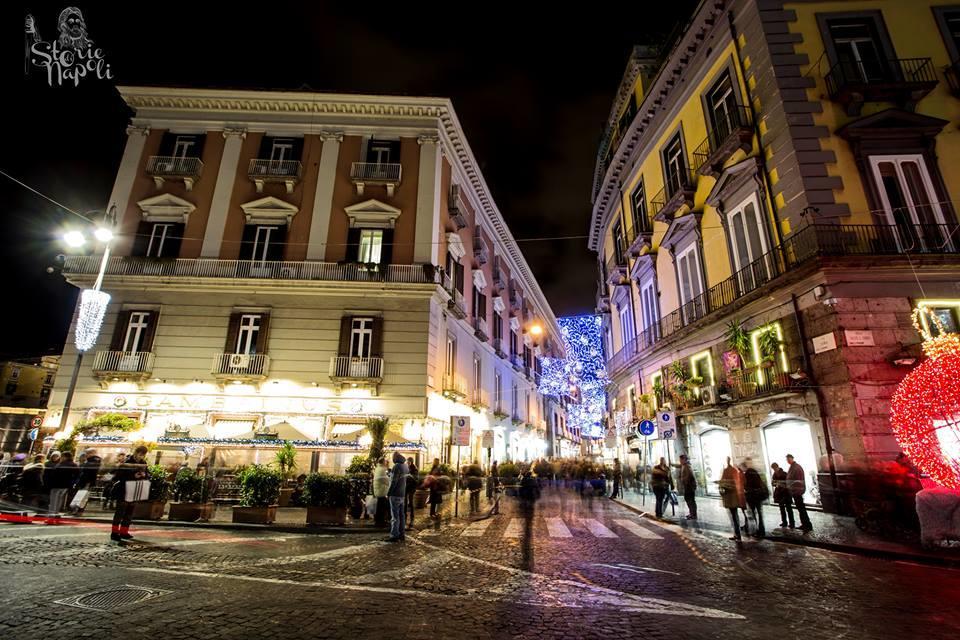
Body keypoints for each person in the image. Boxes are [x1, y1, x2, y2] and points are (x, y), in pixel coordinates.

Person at [110, 445, 149, 542]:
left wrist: (144, 475)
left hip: (135, 489)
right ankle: (114, 533)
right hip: (124, 490)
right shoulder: (127, 461)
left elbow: (148, 474)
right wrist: (133, 475)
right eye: (140, 454)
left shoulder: (143, 463)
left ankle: (124, 531)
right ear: (136, 453)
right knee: (120, 512)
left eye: (143, 455)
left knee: (129, 513)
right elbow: (119, 476)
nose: (141, 457)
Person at [786, 454, 813, 532]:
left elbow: (798, 480)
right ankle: (805, 524)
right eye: (787, 459)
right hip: (795, 491)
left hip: (797, 491)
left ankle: (807, 525)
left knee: (801, 508)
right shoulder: (793, 467)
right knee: (800, 508)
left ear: (792, 458)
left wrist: (794, 488)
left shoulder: (796, 467)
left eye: (788, 459)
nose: (787, 461)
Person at [719, 457, 744, 541]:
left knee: (733, 516)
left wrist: (723, 485)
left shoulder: (730, 470)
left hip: (731, 497)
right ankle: (737, 534)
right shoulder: (733, 470)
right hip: (733, 497)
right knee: (734, 515)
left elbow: (724, 482)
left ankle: (737, 534)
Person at [742, 458, 768, 537]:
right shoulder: (755, 471)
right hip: (758, 496)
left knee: (754, 514)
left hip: (752, 497)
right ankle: (761, 530)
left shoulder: (748, 473)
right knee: (759, 513)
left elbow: (746, 486)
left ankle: (756, 531)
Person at [386, 452, 408, 542]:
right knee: (401, 515)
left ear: (395, 457)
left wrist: (389, 493)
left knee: (395, 516)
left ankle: (394, 535)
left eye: (392, 457)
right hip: (402, 494)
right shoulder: (405, 466)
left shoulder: (397, 466)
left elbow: (394, 481)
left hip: (395, 494)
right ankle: (402, 534)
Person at [771, 462, 793, 528]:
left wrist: (780, 484)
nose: (774, 470)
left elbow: (788, 483)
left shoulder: (784, 473)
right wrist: (776, 484)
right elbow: (773, 483)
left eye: (775, 468)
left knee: (789, 509)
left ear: (777, 467)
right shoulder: (774, 474)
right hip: (779, 494)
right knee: (782, 509)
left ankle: (792, 523)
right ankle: (784, 522)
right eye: (773, 469)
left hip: (786, 493)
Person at [678, 454, 697, 520]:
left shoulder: (687, 466)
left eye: (680, 459)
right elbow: (678, 466)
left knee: (690, 500)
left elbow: (690, 475)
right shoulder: (684, 465)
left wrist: (684, 481)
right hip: (687, 486)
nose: (680, 461)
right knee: (688, 500)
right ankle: (692, 513)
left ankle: (693, 515)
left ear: (684, 459)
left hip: (689, 486)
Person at [372, 457, 390, 527]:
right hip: (381, 490)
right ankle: (380, 521)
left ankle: (379, 521)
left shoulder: (378, 468)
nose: (386, 462)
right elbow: (386, 480)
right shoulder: (382, 469)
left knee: (380, 506)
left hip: (379, 490)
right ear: (382, 462)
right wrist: (389, 482)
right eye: (385, 461)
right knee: (381, 507)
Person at [404, 457, 418, 530]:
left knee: (411, 503)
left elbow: (416, 479)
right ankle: (405, 517)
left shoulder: (414, 469)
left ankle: (412, 518)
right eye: (407, 462)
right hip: (406, 488)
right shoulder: (406, 468)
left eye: (409, 462)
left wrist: (410, 476)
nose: (408, 463)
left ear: (412, 462)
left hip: (411, 488)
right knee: (405, 503)